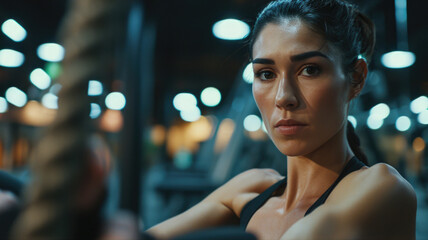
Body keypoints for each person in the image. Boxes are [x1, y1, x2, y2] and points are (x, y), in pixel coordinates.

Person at [146, 0, 417, 239]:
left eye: (309, 70)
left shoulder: (383, 188)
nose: (283, 97)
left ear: (356, 77)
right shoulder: (250, 188)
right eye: (266, 74)